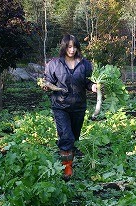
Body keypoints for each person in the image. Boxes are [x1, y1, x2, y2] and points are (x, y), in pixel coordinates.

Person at [42, 34, 97, 179]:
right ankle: (67, 168)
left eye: (74, 46)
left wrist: (93, 86)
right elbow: (48, 80)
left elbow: (87, 82)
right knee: (66, 136)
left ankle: (67, 157)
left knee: (74, 137)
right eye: (69, 46)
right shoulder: (54, 64)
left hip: (79, 106)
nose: (72, 50)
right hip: (60, 106)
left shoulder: (84, 64)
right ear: (64, 47)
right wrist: (46, 85)